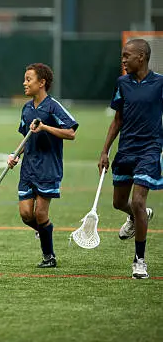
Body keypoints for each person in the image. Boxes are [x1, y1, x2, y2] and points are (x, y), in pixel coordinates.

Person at [98, 39, 160, 279]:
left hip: (150, 149)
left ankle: (140, 260)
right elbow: (117, 120)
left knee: (138, 201)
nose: (123, 60)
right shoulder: (122, 83)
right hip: (126, 149)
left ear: (141, 57)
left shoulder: (160, 84)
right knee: (118, 202)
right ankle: (137, 216)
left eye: (127, 56)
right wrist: (105, 151)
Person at [8, 63, 78, 269]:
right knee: (25, 214)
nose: (24, 83)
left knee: (40, 214)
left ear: (42, 82)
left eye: (28, 79)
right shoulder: (27, 108)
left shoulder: (53, 106)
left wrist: (45, 127)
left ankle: (49, 256)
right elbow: (25, 137)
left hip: (49, 167)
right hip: (28, 168)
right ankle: (44, 230)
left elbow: (71, 133)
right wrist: (15, 155)